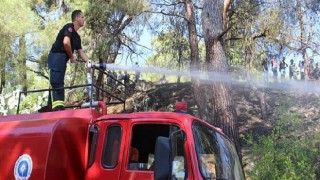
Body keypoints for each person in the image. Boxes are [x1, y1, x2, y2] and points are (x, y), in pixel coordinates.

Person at [47, 10, 90, 111]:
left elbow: (81, 53)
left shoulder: (77, 38)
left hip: (62, 60)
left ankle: (50, 107)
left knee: (57, 82)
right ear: (76, 18)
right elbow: (66, 42)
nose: (84, 19)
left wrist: (91, 63)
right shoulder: (69, 27)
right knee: (56, 82)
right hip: (56, 56)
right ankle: (58, 109)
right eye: (82, 17)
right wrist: (71, 56)